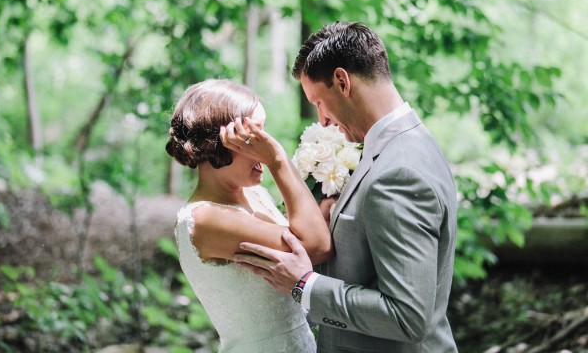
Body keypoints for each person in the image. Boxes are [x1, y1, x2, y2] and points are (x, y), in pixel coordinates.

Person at [229, 22, 459, 352]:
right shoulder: (400, 145)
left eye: (319, 102)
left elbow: (408, 316)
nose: (321, 120)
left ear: (342, 81)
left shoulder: (399, 172)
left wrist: (304, 285)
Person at [166, 79, 333, 352]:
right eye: (252, 134)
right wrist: (277, 159)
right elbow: (317, 245)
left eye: (263, 132)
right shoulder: (204, 219)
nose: (264, 144)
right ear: (217, 142)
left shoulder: (253, 196)